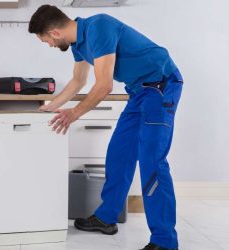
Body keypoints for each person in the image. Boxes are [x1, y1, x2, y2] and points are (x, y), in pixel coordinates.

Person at [29, 5, 183, 250]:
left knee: (152, 162)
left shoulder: (99, 26)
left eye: (44, 40)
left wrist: (73, 114)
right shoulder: (79, 44)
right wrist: (48, 107)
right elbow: (78, 81)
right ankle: (106, 217)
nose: (47, 44)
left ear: (55, 33)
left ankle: (165, 241)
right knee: (119, 155)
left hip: (161, 86)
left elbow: (104, 86)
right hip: (138, 91)